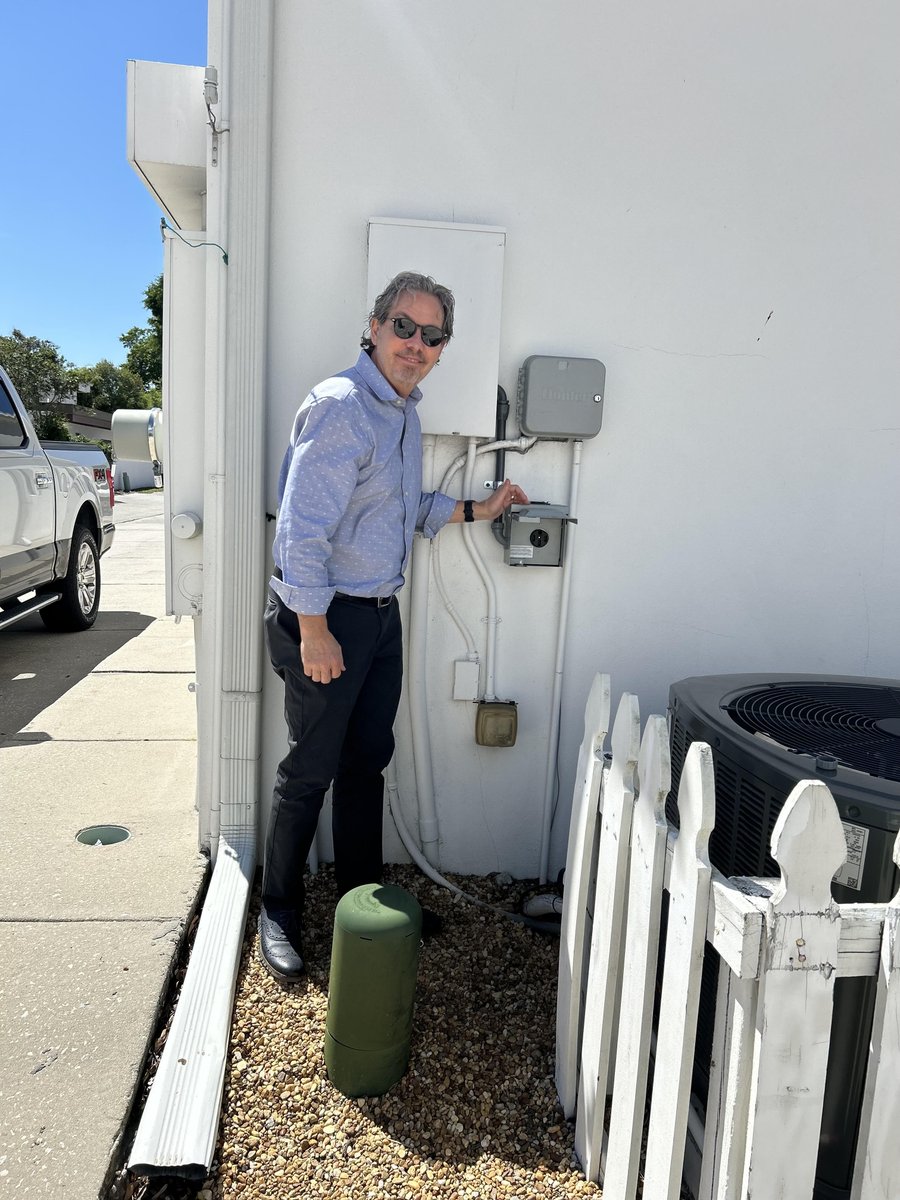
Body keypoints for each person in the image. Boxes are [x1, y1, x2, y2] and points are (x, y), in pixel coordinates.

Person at [259, 270, 528, 982]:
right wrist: (314, 630)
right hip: (326, 617)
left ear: (442, 349)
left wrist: (478, 510)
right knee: (308, 771)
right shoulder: (343, 406)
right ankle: (278, 908)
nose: (415, 343)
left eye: (431, 335)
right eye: (403, 327)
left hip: (379, 617)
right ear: (374, 327)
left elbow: (399, 510)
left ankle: (361, 899)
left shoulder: (403, 414)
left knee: (366, 764)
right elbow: (301, 534)